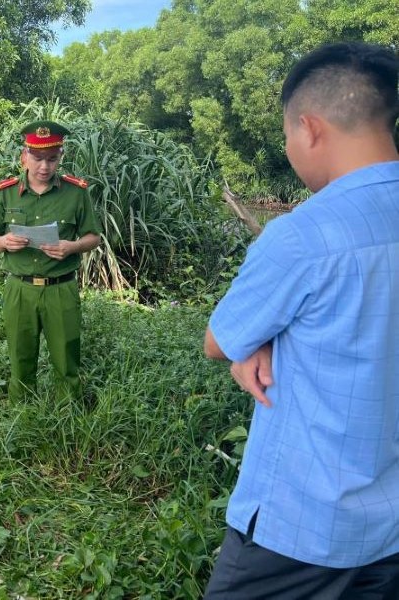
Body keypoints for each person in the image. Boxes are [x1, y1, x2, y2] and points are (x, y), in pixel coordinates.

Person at [203, 42, 399, 598]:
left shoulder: (304, 235)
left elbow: (220, 341)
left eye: (287, 135)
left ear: (309, 127)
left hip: (304, 522)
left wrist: (255, 343)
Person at [0, 121, 100, 401]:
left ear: (61, 156)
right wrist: (5, 242)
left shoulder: (76, 192)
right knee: (20, 357)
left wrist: (72, 247)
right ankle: (22, 412)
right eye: (37, 158)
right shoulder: (5, 192)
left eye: (52, 159)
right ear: (24, 156)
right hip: (19, 289)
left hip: (61, 288)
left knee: (66, 357)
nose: (44, 167)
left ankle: (68, 413)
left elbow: (93, 237)